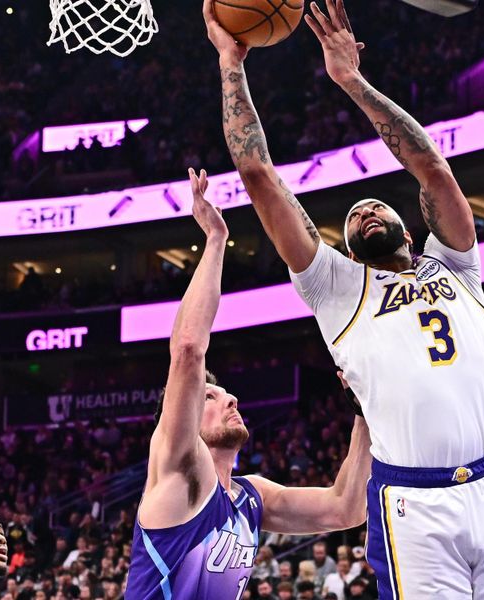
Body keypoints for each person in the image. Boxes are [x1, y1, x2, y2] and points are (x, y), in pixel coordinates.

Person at [203, 0, 484, 597]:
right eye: (353, 217)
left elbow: (431, 166)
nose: (362, 209)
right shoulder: (337, 288)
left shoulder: (457, 263)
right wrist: (232, 62)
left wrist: (351, 80)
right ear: (351, 253)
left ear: (411, 232)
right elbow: (258, 175)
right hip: (413, 502)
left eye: (376, 206)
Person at [125, 169, 372, 599]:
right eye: (210, 396)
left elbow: (346, 508)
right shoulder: (178, 472)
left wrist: (364, 410)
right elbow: (187, 348)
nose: (230, 397)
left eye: (224, 392)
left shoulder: (251, 496)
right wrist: (216, 240)